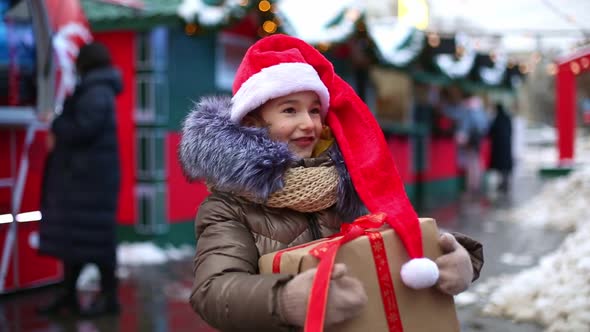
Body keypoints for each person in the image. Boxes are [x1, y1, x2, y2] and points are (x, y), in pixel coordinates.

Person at [179, 35, 483, 331]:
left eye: (314, 110)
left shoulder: (348, 182)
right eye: (289, 109)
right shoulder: (227, 207)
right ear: (252, 122)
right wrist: (285, 299)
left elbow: (394, 234)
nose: (309, 123)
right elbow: (212, 292)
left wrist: (456, 257)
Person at [37, 42, 122, 317]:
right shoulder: (98, 88)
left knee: (95, 241)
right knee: (77, 240)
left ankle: (108, 299)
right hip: (88, 180)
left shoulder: (96, 90)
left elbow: (84, 128)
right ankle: (69, 295)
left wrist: (55, 121)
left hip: (89, 182)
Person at [488, 103, 514, 193]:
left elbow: (490, 132)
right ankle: (505, 183)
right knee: (505, 167)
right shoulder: (507, 118)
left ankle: (502, 184)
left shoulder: (496, 119)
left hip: (498, 147)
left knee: (500, 167)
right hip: (507, 146)